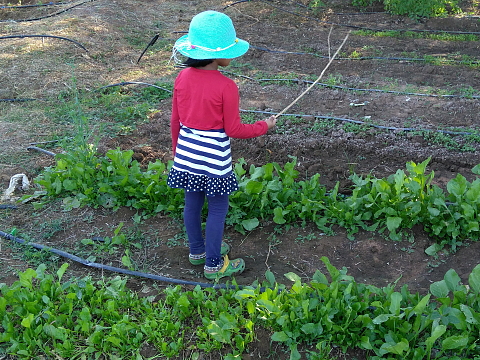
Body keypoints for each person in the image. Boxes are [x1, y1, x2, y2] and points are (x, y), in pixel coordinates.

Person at [167, 10, 276, 280]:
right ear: (217, 54)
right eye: (230, 49)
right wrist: (265, 126)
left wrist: (177, 151)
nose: (233, 55)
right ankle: (214, 264)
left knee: (192, 204)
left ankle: (197, 251)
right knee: (217, 209)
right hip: (214, 160)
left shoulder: (182, 78)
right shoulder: (227, 86)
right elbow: (234, 130)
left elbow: (175, 120)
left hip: (187, 154)